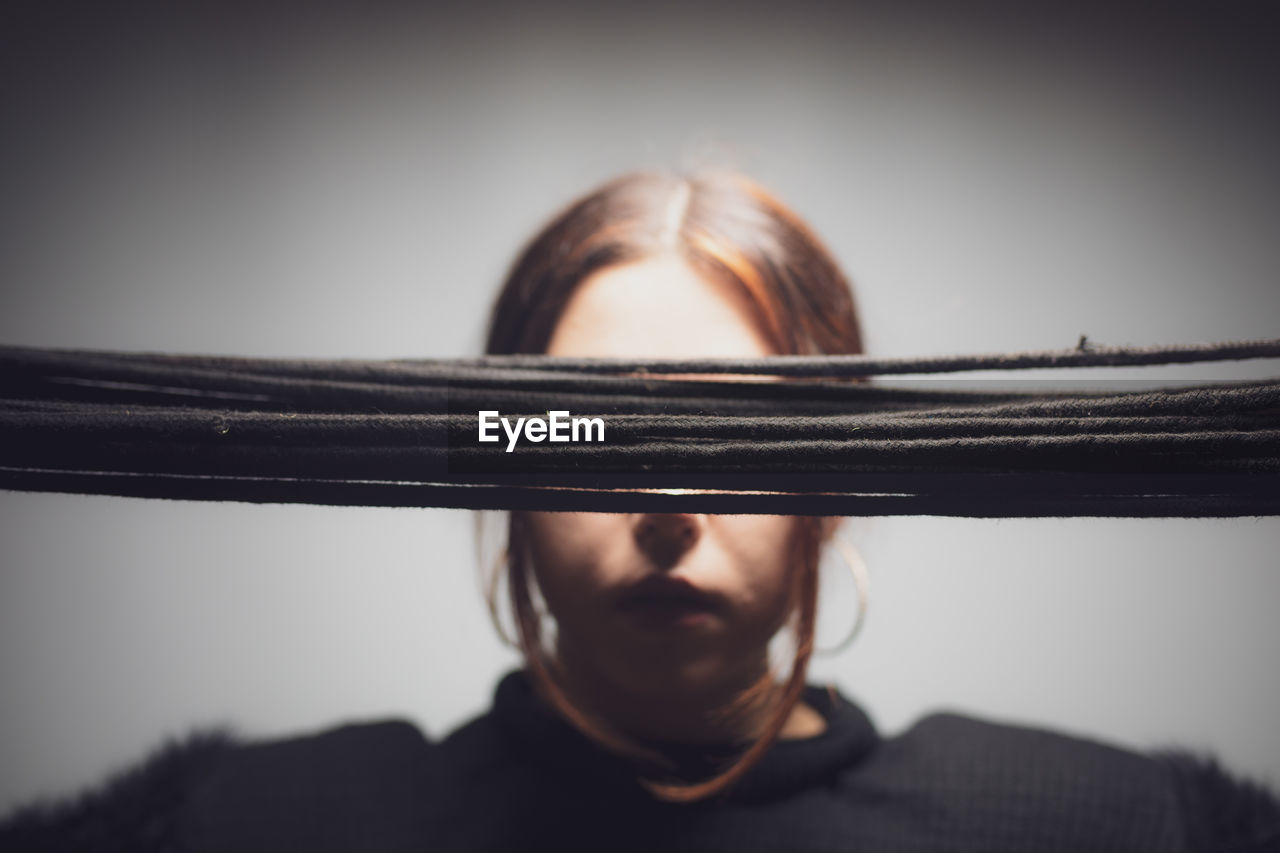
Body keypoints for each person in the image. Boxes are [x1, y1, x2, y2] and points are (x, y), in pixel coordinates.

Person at [2, 170, 1278, 851]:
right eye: (579, 427)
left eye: (732, 428)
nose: (664, 500)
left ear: (833, 495)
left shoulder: (1101, 826)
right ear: (498, 478)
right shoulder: (259, 827)